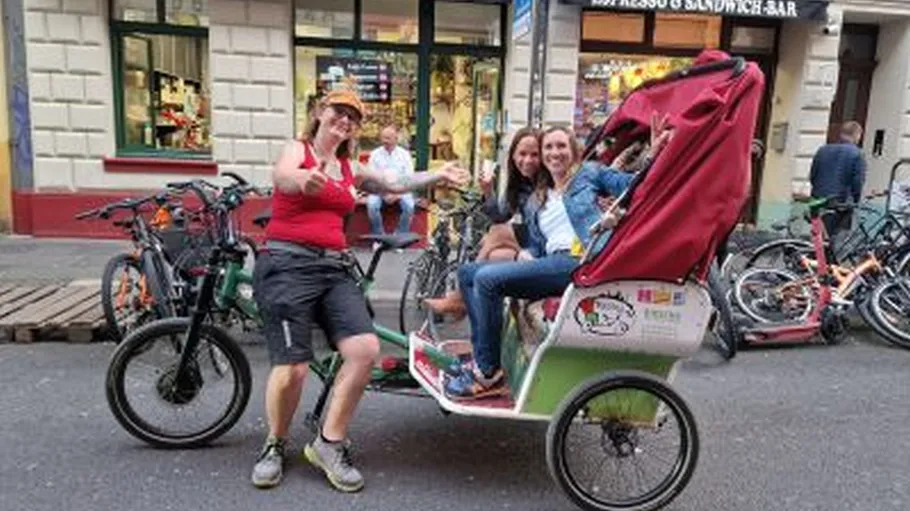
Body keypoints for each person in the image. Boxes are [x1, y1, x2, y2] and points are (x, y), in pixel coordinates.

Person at [251, 89, 468, 491]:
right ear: (320, 112)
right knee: (293, 368)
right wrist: (303, 178)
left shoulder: (352, 167)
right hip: (286, 263)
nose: (345, 120)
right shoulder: (297, 149)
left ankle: (329, 443)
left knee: (365, 350)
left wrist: (437, 175)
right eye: (339, 111)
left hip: (333, 269)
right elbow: (282, 176)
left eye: (353, 116)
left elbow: (395, 181)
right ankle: (275, 443)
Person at [445, 117, 673, 400]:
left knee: (488, 280)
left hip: (581, 261)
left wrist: (653, 154)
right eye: (549, 147)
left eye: (561, 146)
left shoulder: (589, 173)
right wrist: (528, 254)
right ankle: (482, 356)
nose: (555, 153)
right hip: (553, 262)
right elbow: (515, 225)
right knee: (468, 273)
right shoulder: (537, 197)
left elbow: (632, 188)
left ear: (573, 150)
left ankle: (488, 372)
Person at [424, 127, 542, 319]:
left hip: (540, 247)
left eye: (534, 155)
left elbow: (502, 223)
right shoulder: (520, 184)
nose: (527, 160)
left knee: (498, 232)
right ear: (513, 156)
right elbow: (500, 215)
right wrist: (488, 191)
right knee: (495, 257)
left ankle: (459, 299)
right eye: (522, 154)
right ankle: (483, 323)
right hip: (525, 246)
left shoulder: (547, 182)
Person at [809, 121, 867, 240]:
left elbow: (813, 175)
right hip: (841, 203)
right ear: (857, 135)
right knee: (836, 239)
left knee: (817, 239)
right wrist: (855, 200)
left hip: (818, 201)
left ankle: (815, 256)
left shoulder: (823, 150)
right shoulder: (857, 154)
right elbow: (857, 182)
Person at [366, 125, 416, 247]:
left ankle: (399, 237)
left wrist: (397, 193)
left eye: (388, 138)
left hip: (400, 189)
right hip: (380, 189)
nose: (385, 141)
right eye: (383, 138)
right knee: (372, 205)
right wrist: (384, 193)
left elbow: (409, 177)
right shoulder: (375, 154)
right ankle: (380, 239)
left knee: (410, 206)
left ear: (396, 138)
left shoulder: (404, 154)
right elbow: (371, 176)